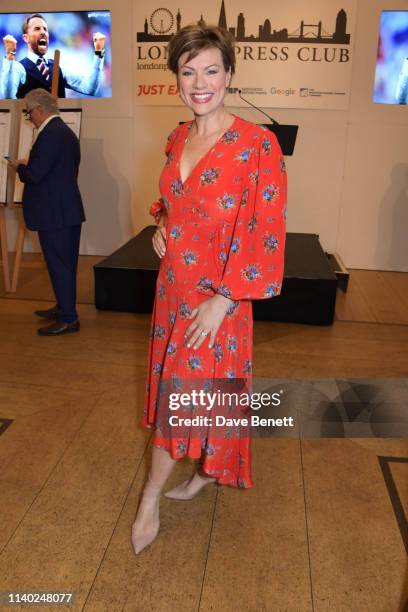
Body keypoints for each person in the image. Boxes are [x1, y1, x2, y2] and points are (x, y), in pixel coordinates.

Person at [131, 23, 287, 554]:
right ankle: (206, 473)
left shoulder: (257, 145)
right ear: (176, 77)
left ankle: (149, 497)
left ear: (229, 75)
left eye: (211, 70)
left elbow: (265, 233)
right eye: (187, 70)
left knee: (187, 396)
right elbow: (173, 199)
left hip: (216, 303)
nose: (199, 82)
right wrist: (160, 223)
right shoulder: (178, 136)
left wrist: (222, 302)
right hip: (171, 292)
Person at [8, 89, 85, 335]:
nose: (30, 119)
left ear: (40, 110)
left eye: (29, 113)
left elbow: (35, 175)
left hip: (56, 214)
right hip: (64, 211)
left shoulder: (51, 134)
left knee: (59, 265)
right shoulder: (64, 132)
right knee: (63, 265)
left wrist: (20, 167)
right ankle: (63, 308)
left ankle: (68, 318)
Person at [0, 13, 106, 99]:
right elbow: (8, 97)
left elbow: (90, 88)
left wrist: (98, 53)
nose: (43, 33)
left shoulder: (58, 67)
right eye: (37, 29)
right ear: (26, 38)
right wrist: (10, 55)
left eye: (45, 29)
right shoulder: (19, 67)